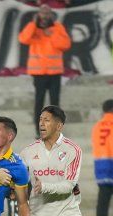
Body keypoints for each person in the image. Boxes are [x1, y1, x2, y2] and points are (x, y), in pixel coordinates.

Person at [18, 4, 71, 136]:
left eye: (47, 13)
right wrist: (33, 24)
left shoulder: (57, 27)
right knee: (39, 103)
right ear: (38, 14)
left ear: (51, 15)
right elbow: (23, 39)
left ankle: (55, 131)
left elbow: (65, 45)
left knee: (55, 104)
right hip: (39, 73)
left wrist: (51, 35)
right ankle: (40, 131)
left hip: (55, 72)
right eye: (42, 13)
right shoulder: (33, 28)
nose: (45, 15)